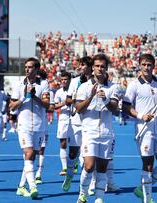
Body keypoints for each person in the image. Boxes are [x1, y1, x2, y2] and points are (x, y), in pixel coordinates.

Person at [122, 54, 157, 203]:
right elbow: (125, 106)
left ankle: (141, 189)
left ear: (153, 66)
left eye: (149, 64)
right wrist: (141, 116)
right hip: (144, 129)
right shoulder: (134, 85)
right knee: (148, 164)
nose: (146, 67)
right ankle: (147, 198)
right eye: (143, 64)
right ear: (139, 65)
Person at [74, 54, 120, 203]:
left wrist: (105, 99)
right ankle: (83, 194)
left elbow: (116, 110)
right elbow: (78, 109)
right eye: (97, 66)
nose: (100, 69)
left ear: (106, 69)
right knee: (88, 166)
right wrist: (91, 97)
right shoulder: (84, 87)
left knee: (102, 169)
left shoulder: (114, 87)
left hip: (107, 133)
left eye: (103, 66)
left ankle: (99, 199)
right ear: (92, 68)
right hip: (89, 132)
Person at [9, 57, 50, 199]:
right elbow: (12, 106)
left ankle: (21, 186)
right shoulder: (19, 84)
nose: (27, 69)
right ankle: (33, 186)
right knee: (29, 153)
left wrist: (34, 97)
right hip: (24, 125)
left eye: (30, 67)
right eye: (25, 67)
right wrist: (25, 97)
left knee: (31, 157)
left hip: (39, 126)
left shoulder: (43, 84)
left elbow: (47, 105)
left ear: (36, 69)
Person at [61, 56, 93, 190]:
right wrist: (74, 99)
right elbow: (67, 100)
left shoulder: (95, 81)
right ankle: (69, 176)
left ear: (90, 66)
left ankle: (90, 185)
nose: (81, 67)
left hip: (90, 122)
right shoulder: (74, 81)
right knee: (73, 153)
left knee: (90, 156)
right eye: (80, 64)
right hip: (76, 121)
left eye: (83, 65)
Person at [35, 69, 55, 184]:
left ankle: (39, 174)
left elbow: (51, 108)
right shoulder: (25, 87)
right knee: (30, 152)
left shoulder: (47, 91)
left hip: (42, 125)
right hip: (28, 126)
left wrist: (40, 101)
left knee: (41, 150)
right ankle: (29, 175)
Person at [53, 71, 72, 175]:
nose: (63, 81)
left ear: (69, 80)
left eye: (65, 79)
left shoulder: (74, 90)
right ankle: (64, 168)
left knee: (77, 143)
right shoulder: (59, 92)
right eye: (62, 79)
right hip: (63, 118)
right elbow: (55, 106)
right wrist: (65, 102)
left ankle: (75, 162)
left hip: (75, 118)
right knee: (63, 143)